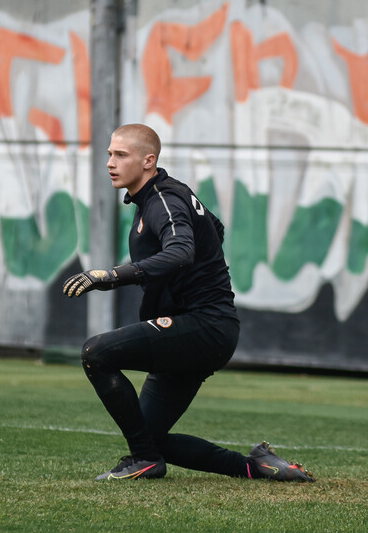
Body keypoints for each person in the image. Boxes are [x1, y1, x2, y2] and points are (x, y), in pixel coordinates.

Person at [63, 123, 314, 482]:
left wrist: (110, 276)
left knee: (96, 353)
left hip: (204, 325)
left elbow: (181, 251)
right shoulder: (161, 196)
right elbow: (215, 229)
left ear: (149, 161)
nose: (110, 163)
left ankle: (145, 462)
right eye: (109, 155)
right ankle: (255, 466)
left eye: (121, 155)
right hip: (202, 327)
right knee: (148, 436)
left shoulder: (162, 198)